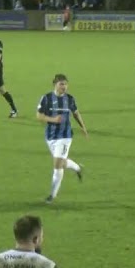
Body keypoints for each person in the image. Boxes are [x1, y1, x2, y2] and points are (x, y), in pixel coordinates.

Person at [37, 74, 87, 203]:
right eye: (61, 84)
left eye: (65, 84)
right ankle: (77, 168)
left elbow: (76, 113)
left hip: (65, 136)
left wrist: (83, 127)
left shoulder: (70, 99)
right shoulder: (46, 98)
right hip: (50, 136)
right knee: (61, 162)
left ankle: (52, 195)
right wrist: (53, 119)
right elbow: (39, 116)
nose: (64, 87)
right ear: (55, 84)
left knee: (57, 165)